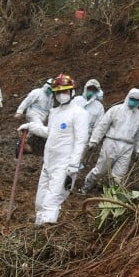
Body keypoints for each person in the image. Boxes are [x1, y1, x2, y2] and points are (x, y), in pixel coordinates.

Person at [17, 74, 90, 225]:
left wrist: (73, 166)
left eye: (64, 91)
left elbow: (81, 141)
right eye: (58, 92)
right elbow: (50, 133)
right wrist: (31, 126)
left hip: (64, 166)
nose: (61, 95)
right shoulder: (54, 113)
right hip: (48, 163)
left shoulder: (79, 113)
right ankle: (36, 232)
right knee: (39, 202)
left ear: (72, 92)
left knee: (51, 202)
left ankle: (45, 234)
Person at [81, 88, 139, 194]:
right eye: (132, 98)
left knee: (118, 176)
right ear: (127, 97)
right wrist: (94, 141)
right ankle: (86, 187)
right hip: (111, 143)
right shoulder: (116, 110)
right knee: (100, 170)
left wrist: (137, 149)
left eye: (136, 100)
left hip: (127, 147)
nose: (133, 101)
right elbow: (103, 125)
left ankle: (112, 196)